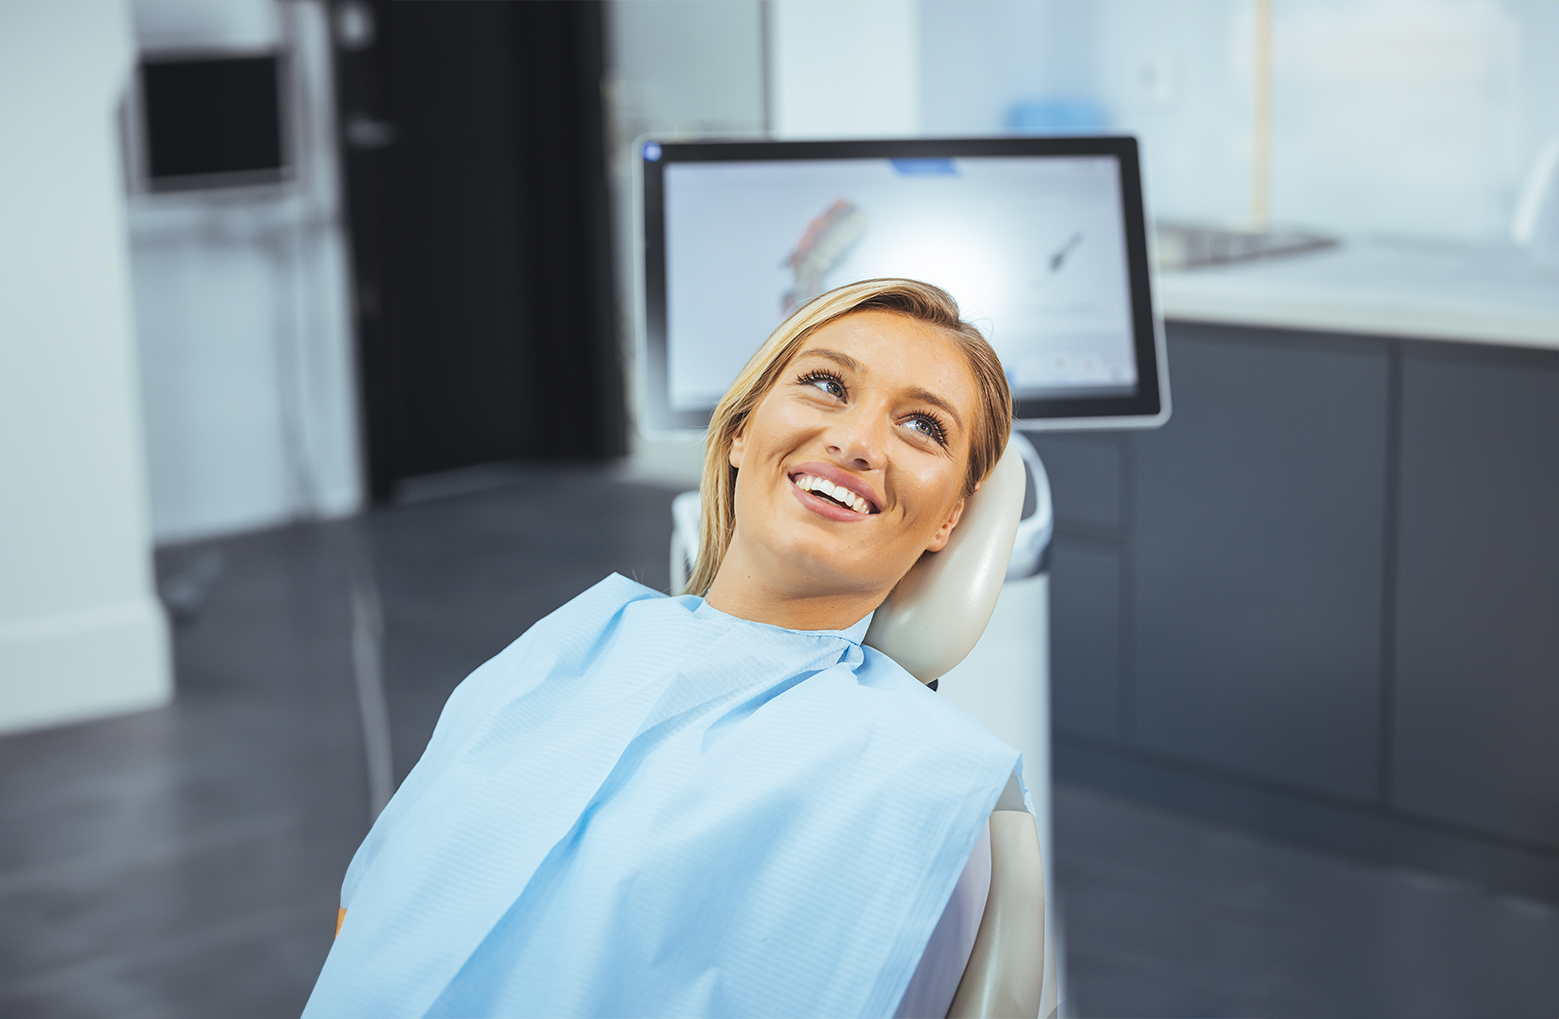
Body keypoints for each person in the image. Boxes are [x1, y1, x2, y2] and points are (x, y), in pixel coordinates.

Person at [304, 279, 1033, 1019]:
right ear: (743, 429)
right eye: (823, 383)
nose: (857, 441)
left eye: (921, 426)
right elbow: (368, 913)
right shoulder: (572, 643)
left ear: (950, 519)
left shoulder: (926, 785)